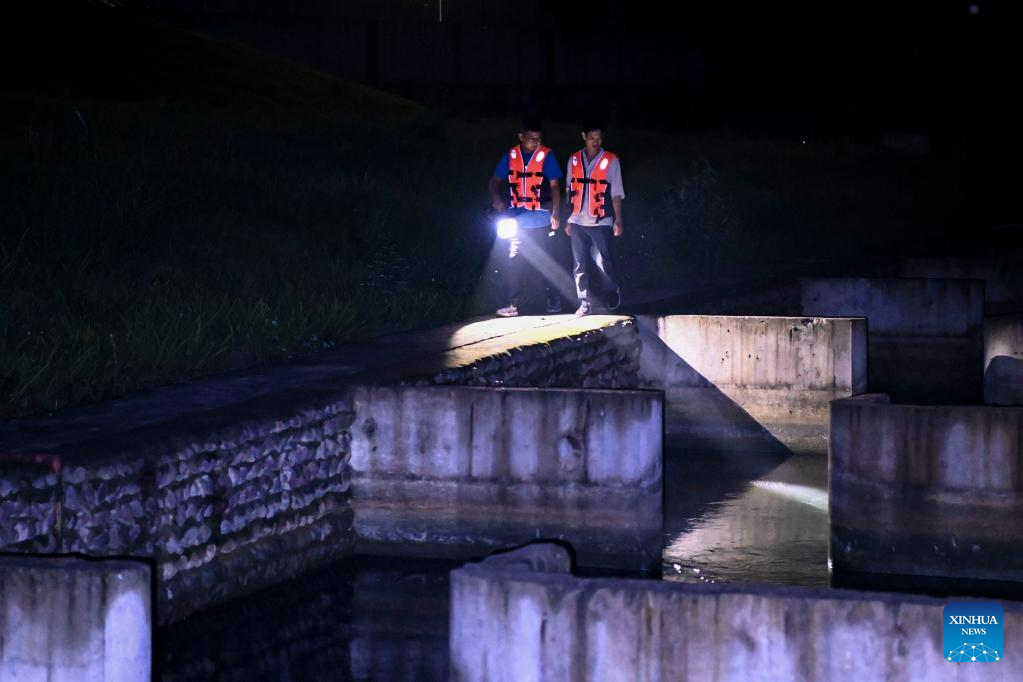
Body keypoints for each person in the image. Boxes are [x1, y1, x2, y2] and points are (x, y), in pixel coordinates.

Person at [489, 119, 566, 317]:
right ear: (521, 137)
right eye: (531, 139)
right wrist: (496, 198)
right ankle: (512, 304)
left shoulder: (546, 156)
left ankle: (553, 298)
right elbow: (494, 182)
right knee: (513, 260)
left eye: (538, 139)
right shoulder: (510, 156)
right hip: (517, 220)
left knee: (546, 262)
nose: (535, 142)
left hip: (541, 219)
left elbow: (556, 186)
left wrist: (556, 212)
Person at [565, 122, 624, 316]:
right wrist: (568, 219)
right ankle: (584, 302)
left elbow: (616, 192)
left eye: (599, 138)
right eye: (592, 138)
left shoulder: (611, 160)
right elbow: (569, 190)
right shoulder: (573, 159)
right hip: (577, 220)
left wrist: (618, 219)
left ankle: (611, 290)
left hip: (601, 220)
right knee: (579, 263)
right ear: (584, 136)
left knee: (602, 261)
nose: (595, 142)